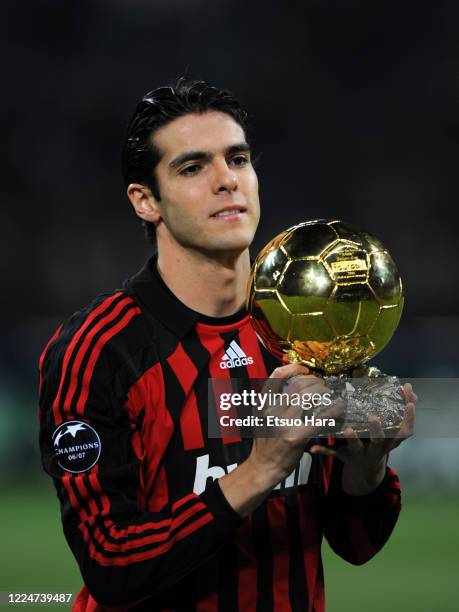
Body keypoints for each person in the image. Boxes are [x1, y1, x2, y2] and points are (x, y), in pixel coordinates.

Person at [39, 79, 416, 612]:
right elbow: (110, 564)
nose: (226, 181)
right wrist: (260, 469)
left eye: (237, 159)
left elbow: (358, 544)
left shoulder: (310, 329)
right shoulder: (99, 348)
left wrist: (367, 467)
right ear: (146, 201)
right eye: (192, 168)